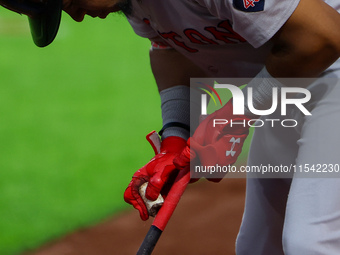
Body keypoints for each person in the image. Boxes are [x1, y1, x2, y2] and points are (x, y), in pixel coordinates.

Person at [2, 0, 340, 254]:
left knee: (310, 242)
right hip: (288, 84)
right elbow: (171, 48)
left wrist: (236, 116)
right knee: (258, 246)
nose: (76, 15)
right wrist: (174, 139)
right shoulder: (133, 3)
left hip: (329, 74)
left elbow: (322, 38)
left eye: (70, 2)